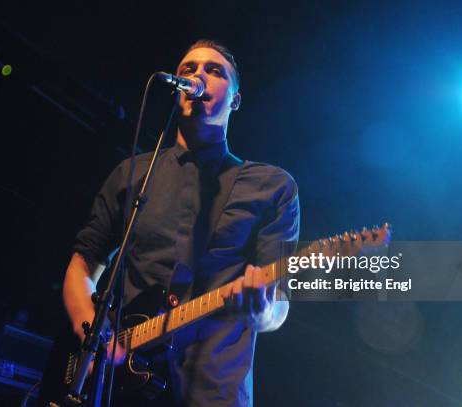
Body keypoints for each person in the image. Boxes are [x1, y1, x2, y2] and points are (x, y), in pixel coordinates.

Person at [62, 39, 300, 406]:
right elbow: (82, 266)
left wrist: (262, 311)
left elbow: (279, 306)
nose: (197, 76)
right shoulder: (132, 173)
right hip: (120, 385)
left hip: (214, 387)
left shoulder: (273, 187)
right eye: (188, 69)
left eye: (214, 70)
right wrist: (93, 338)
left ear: (235, 100)